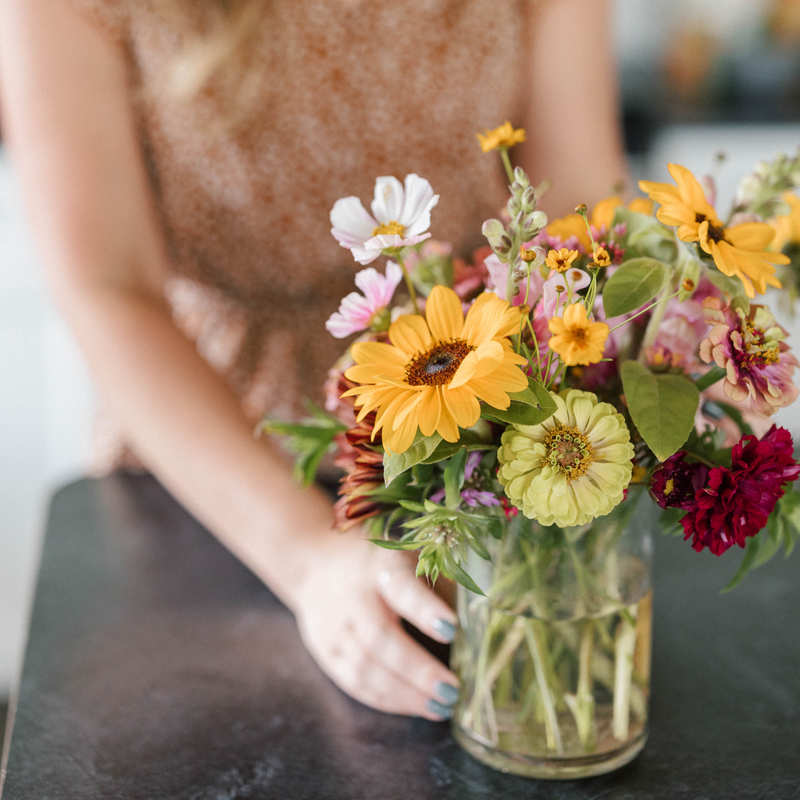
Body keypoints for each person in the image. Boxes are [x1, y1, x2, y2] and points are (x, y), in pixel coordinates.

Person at [0, 0, 626, 721]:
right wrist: (313, 560)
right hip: (210, 460)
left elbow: (579, 214)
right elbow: (109, 284)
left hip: (472, 432)